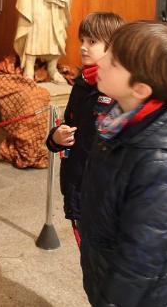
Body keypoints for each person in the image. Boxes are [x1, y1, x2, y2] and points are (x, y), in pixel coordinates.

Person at [79, 21, 167, 306]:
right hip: (108, 271)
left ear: (141, 89)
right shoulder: (120, 117)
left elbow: (143, 255)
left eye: (113, 62)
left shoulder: (162, 163)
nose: (102, 61)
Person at [45, 12, 123, 246]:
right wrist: (56, 138)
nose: (83, 47)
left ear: (113, 47)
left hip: (103, 196)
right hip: (77, 184)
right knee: (88, 257)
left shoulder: (119, 90)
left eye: (92, 42)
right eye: (82, 40)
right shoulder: (83, 83)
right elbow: (70, 125)